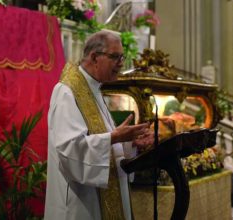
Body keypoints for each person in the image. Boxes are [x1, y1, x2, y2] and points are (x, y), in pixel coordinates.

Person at [44, 31, 153, 220]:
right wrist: (115, 137)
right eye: (115, 57)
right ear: (94, 57)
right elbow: (69, 149)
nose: (121, 63)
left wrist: (130, 144)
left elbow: (104, 141)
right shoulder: (67, 92)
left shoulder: (94, 89)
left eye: (122, 57)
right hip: (82, 202)